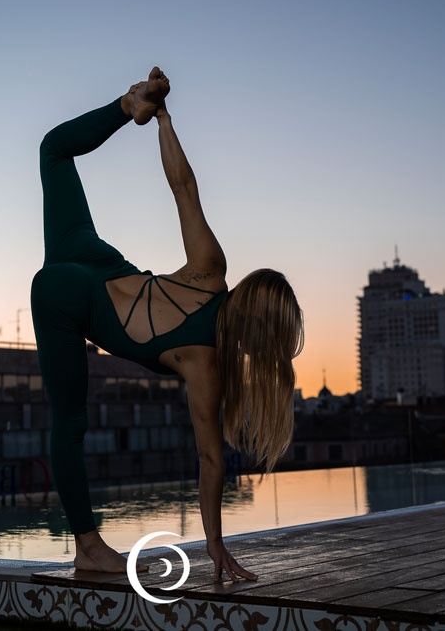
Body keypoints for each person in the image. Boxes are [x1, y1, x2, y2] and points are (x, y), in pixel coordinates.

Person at [30, 66, 304, 582]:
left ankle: (124, 105)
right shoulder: (205, 362)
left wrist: (160, 119)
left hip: (91, 262)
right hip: (73, 290)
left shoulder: (210, 274)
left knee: (52, 149)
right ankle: (87, 546)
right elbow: (209, 461)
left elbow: (183, 187)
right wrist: (215, 545)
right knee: (68, 426)